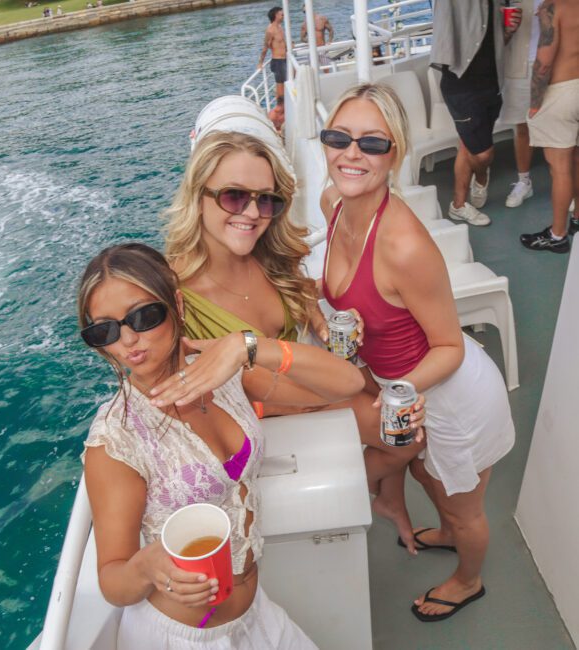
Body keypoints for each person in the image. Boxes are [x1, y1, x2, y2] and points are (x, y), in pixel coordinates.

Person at [77, 242, 367, 648]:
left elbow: (346, 385)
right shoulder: (117, 440)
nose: (127, 340)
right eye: (104, 330)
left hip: (255, 617)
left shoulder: (223, 375)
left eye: (143, 316)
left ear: (176, 305)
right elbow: (112, 579)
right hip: (180, 638)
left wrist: (246, 346)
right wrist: (146, 567)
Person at [164, 130, 428, 554]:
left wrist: (326, 329)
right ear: (198, 196)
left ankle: (387, 499)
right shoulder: (174, 294)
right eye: (234, 196)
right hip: (263, 414)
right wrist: (341, 387)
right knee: (407, 436)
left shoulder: (267, 254)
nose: (252, 213)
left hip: (298, 382)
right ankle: (370, 491)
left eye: (266, 200)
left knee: (393, 416)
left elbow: (303, 300)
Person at [319, 83, 515, 621]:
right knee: (429, 476)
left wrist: (396, 392)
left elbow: (450, 345)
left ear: (396, 153)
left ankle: (467, 579)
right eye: (338, 137)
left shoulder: (405, 246)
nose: (350, 153)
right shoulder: (333, 203)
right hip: (402, 390)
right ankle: (448, 532)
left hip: (449, 394)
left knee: (464, 503)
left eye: (371, 143)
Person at [430, 0, 522, 226]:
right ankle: (481, 177)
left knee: (468, 146)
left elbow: (494, 40)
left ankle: (458, 206)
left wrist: (508, 30)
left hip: (492, 82)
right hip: (461, 83)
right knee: (482, 155)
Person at [520, 0, 579, 253]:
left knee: (560, 168)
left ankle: (557, 236)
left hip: (561, 92)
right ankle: (577, 218)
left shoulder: (553, 7)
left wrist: (535, 104)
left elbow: (544, 61)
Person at [501, 0, 542, 208]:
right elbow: (495, 39)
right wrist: (507, 30)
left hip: (555, 67)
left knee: (563, 127)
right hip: (518, 68)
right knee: (522, 127)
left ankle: (572, 186)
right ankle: (524, 181)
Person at [258, 7, 287, 101]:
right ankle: (280, 109)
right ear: (276, 16)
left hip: (285, 59)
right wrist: (260, 63)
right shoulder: (270, 30)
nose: (283, 16)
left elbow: (283, 43)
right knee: (280, 88)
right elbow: (265, 47)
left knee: (288, 84)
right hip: (278, 61)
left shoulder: (280, 27)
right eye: (282, 14)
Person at [300, 5, 334, 70]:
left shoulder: (322, 19)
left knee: (326, 69)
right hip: (311, 50)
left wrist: (329, 41)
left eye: (307, 11)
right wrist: (309, 40)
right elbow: (302, 38)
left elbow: (331, 30)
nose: (306, 13)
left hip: (322, 48)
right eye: (304, 12)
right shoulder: (304, 24)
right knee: (312, 70)